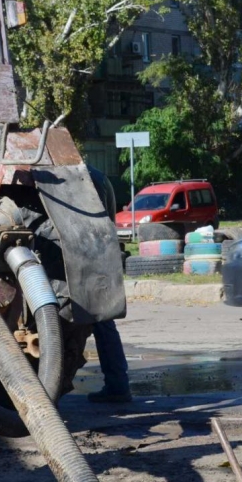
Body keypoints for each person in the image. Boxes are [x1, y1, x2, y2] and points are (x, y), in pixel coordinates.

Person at [85, 165, 132, 404]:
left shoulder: (82, 177)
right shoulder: (98, 175)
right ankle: (117, 383)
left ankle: (117, 385)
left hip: (88, 258)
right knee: (104, 324)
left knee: (102, 324)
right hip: (101, 256)